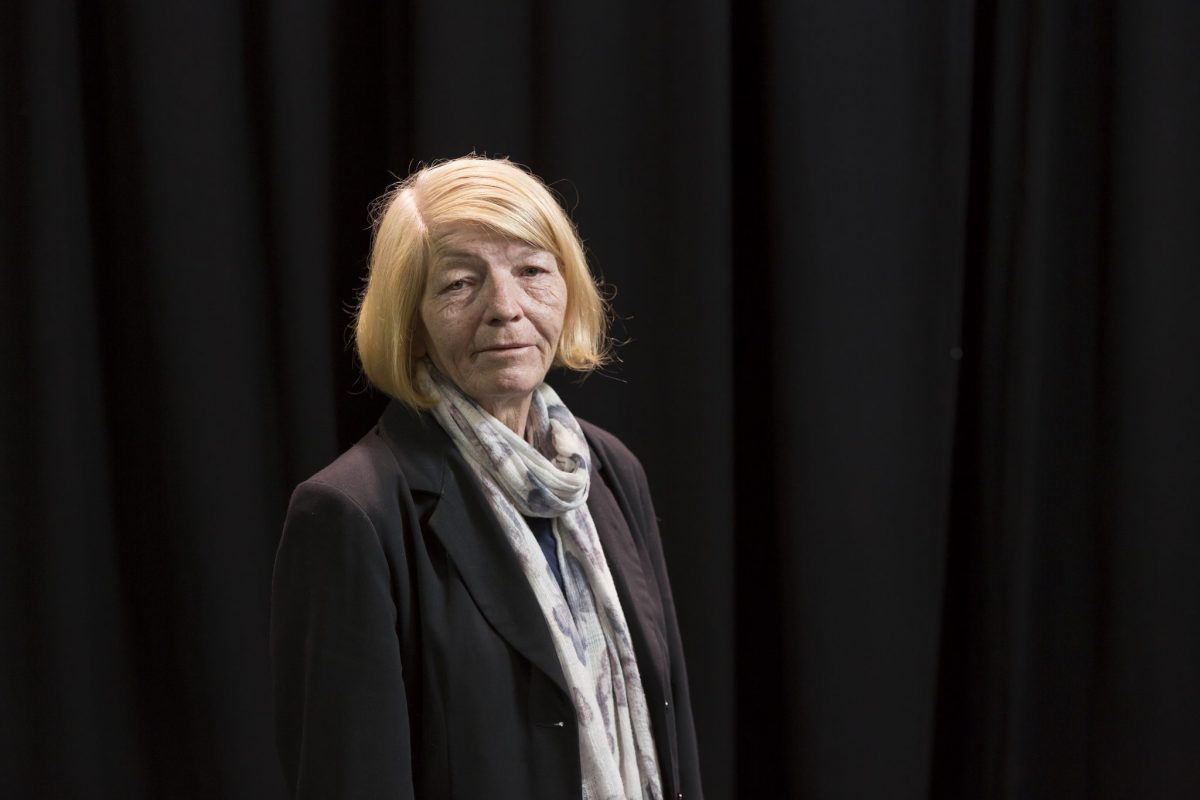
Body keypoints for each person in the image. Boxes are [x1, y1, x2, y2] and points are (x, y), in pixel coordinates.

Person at [270, 156, 702, 800]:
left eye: (532, 271)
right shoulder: (351, 512)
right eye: (459, 283)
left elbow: (673, 741)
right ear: (410, 320)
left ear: (568, 289)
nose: (505, 307)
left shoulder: (610, 472)